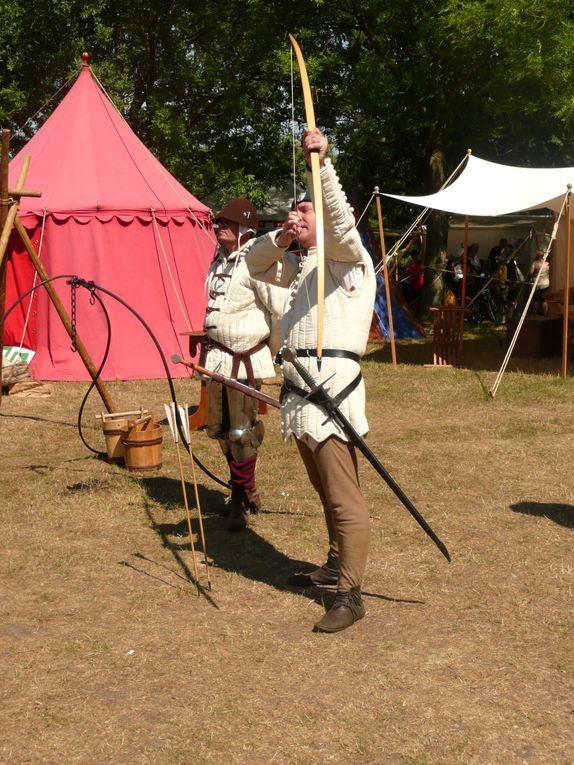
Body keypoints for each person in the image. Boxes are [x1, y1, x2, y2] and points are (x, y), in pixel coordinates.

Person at [245, 128, 377, 634]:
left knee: (344, 497)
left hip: (332, 394)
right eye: (293, 213)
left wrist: (321, 165)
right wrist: (283, 234)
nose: (295, 218)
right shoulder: (303, 268)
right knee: (324, 491)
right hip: (302, 396)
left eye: (304, 213)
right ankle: (331, 562)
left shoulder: (348, 259)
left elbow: (340, 220)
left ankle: (350, 593)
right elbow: (254, 264)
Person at [202, 198, 287, 531]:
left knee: (241, 432)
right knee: (220, 431)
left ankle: (238, 498)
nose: (219, 226)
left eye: (227, 222)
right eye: (219, 221)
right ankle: (246, 487)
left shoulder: (258, 263)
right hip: (217, 358)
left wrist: (273, 352)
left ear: (245, 230)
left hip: (245, 361)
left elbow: (278, 312)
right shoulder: (218, 261)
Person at [528, 250, 550, 316]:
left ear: (537, 256)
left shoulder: (535, 263)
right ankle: (545, 314)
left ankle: (534, 315)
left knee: (535, 299)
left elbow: (531, 273)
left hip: (537, 284)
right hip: (546, 283)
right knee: (544, 300)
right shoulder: (547, 264)